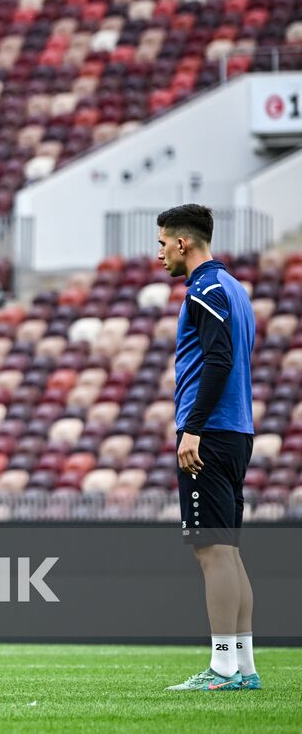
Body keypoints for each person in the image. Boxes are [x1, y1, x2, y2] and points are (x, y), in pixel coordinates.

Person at [156, 205, 260, 692]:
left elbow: (218, 360)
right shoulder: (236, 290)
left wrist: (192, 428)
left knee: (212, 551)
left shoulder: (205, 290)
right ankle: (244, 665)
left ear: (183, 244)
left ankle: (221, 668)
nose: (159, 254)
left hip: (210, 432)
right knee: (229, 552)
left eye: (162, 244)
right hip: (236, 430)